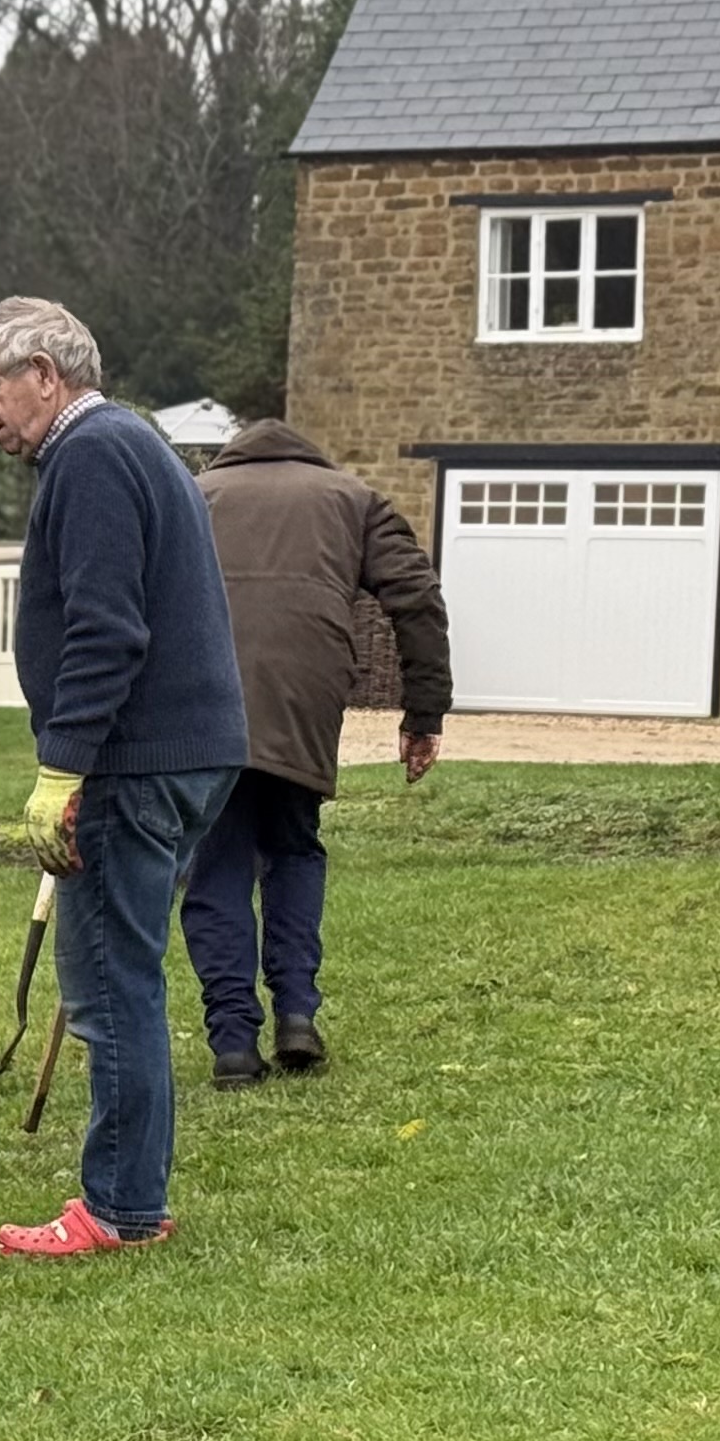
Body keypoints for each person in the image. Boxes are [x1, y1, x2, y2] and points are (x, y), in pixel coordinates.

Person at [0, 299, 247, 1259]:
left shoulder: (89, 454)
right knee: (124, 977)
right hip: (184, 753)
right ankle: (136, 1199)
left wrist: (62, 768)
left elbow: (107, 628)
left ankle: (118, 1210)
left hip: (135, 761)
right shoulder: (133, 445)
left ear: (45, 373)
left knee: (110, 984)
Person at [184, 419, 453, 1086]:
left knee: (216, 861)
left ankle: (233, 1043)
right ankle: (298, 1015)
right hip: (308, 689)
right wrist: (423, 713)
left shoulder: (192, 493)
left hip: (205, 691)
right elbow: (417, 598)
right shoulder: (353, 499)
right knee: (293, 846)